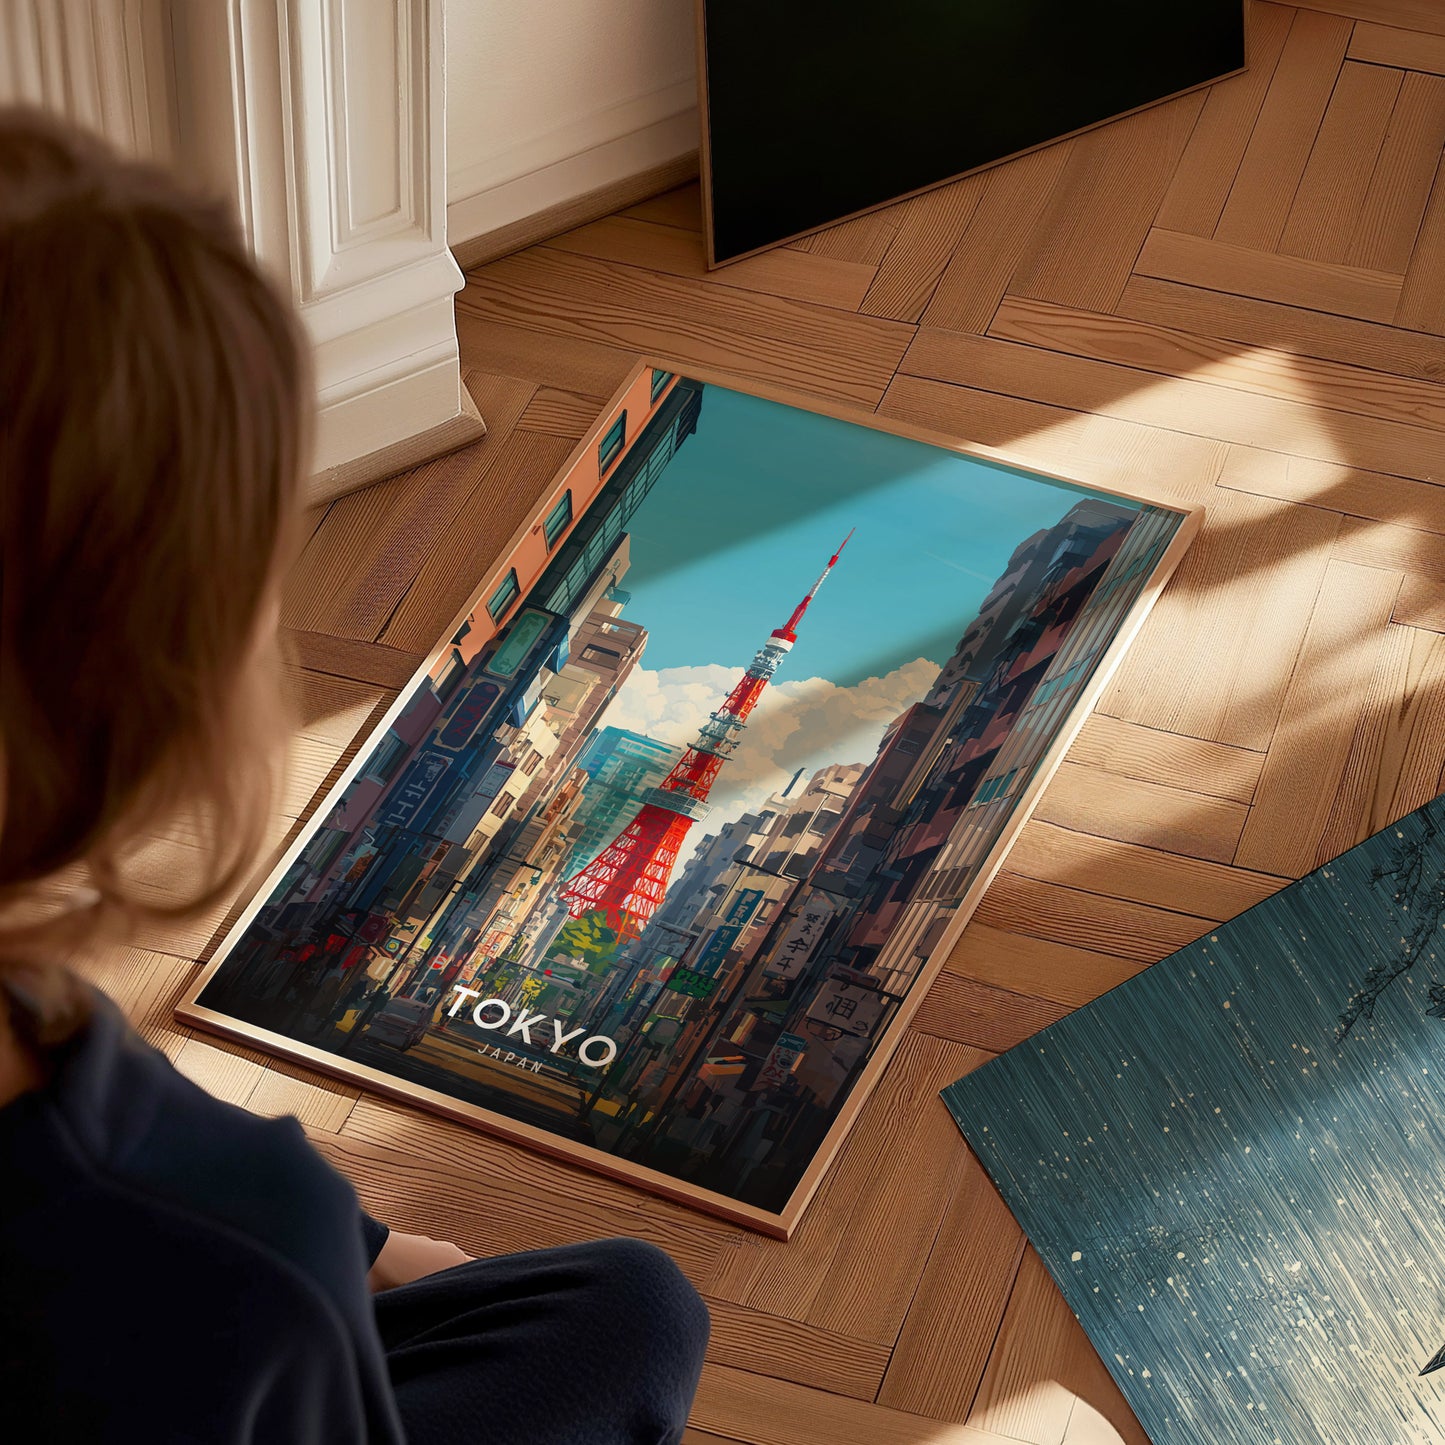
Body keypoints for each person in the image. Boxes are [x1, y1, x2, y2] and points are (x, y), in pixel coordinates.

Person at [0, 108, 710, 1443]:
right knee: (633, 1311)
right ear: (157, 692)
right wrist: (324, 1248)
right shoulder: (231, 1258)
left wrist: (353, 1236)